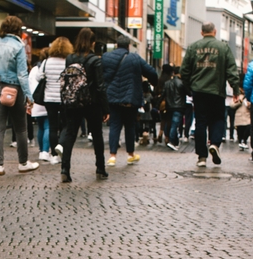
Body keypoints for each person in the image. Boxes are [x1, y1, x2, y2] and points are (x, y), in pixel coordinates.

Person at [0, 15, 39, 176]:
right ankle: (23, 163)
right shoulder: (19, 46)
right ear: (18, 29)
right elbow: (22, 74)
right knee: (20, 128)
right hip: (14, 90)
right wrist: (29, 96)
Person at [180, 22, 241, 167]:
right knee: (218, 119)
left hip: (199, 91)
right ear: (215, 31)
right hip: (217, 91)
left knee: (200, 121)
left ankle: (202, 156)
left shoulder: (193, 47)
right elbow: (231, 70)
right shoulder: (223, 47)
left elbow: (184, 71)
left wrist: (190, 88)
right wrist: (235, 90)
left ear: (201, 33)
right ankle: (214, 144)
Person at [55, 27, 109, 182]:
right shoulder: (95, 60)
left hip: (73, 101)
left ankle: (65, 169)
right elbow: (100, 86)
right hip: (92, 103)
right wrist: (105, 108)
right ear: (92, 43)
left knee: (71, 134)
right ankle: (100, 168)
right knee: (97, 134)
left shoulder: (70, 59)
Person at [102, 35, 158, 166]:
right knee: (130, 126)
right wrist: (152, 84)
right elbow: (152, 73)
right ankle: (130, 154)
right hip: (130, 98)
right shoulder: (135, 58)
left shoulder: (106, 57)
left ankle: (112, 156)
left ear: (116, 45)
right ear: (128, 46)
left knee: (114, 125)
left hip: (112, 98)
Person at [43, 37, 72, 165]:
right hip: (64, 98)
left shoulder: (46, 62)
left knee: (52, 126)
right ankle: (60, 145)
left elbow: (39, 76)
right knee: (66, 124)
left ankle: (54, 155)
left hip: (49, 98)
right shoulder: (68, 62)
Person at [29, 48, 50, 159]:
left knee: (41, 127)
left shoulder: (34, 70)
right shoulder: (49, 67)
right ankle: (45, 151)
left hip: (36, 101)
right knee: (48, 126)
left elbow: (29, 84)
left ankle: (41, 149)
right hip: (47, 99)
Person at [162, 66, 186, 151]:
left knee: (170, 123)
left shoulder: (167, 83)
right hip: (179, 106)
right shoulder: (182, 83)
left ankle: (173, 141)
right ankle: (172, 141)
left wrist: (158, 105)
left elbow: (163, 95)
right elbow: (189, 93)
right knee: (175, 124)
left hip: (169, 106)